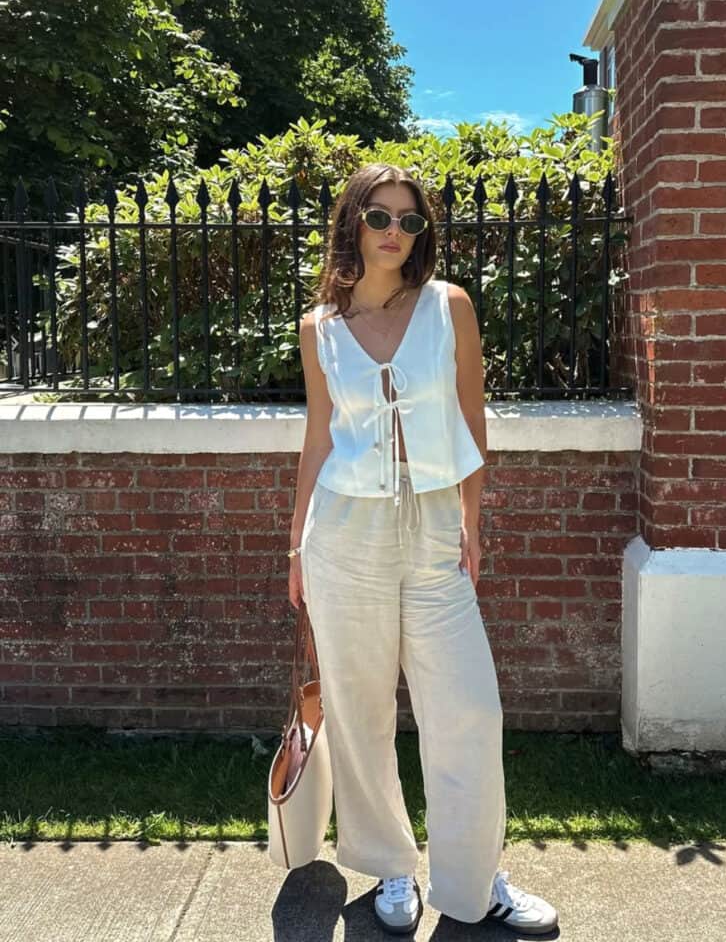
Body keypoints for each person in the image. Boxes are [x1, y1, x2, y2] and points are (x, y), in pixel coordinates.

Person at [286, 162, 559, 936]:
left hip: (435, 525)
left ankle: (474, 878)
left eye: (410, 221)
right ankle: (389, 870)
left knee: (468, 709)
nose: (394, 234)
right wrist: (295, 549)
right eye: (380, 217)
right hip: (343, 533)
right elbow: (316, 436)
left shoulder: (450, 307)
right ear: (353, 223)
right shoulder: (320, 328)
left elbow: (473, 421)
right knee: (360, 709)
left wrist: (472, 520)